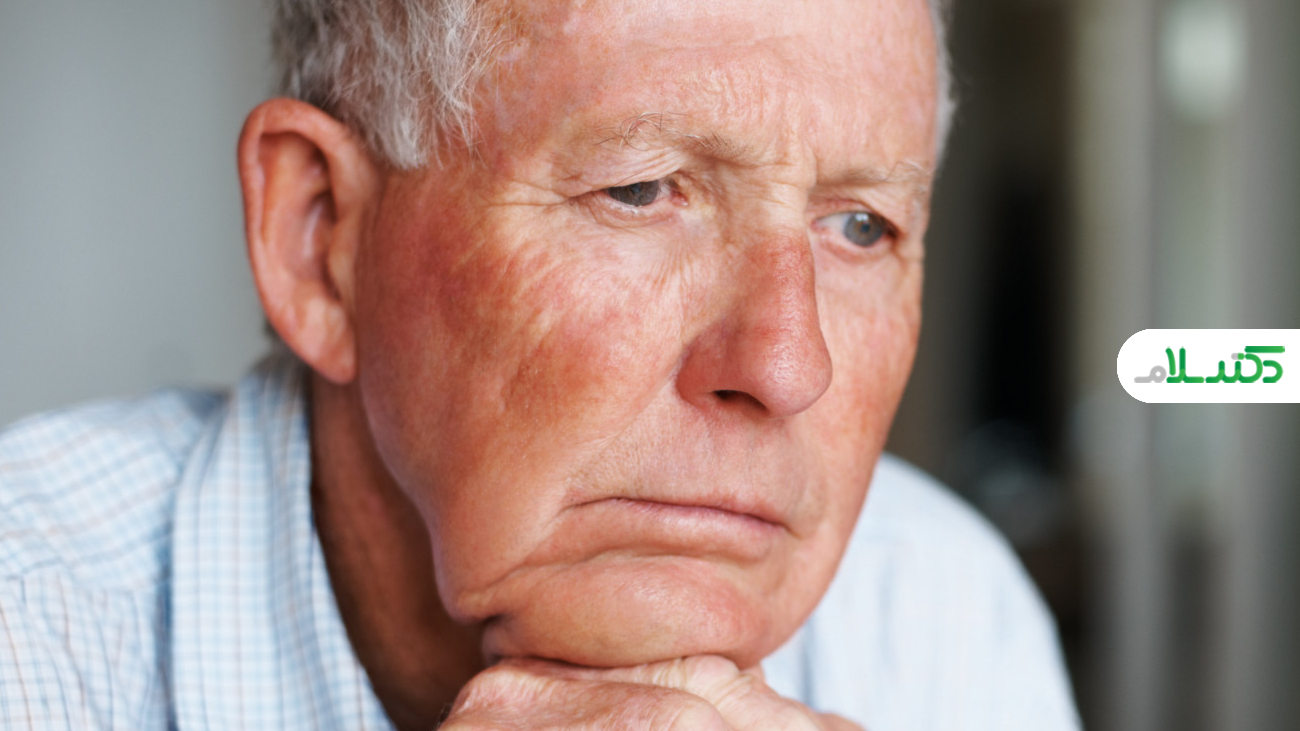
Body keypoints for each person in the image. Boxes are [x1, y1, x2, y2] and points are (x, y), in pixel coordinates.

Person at [0, 0, 1081, 728]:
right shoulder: (32, 639)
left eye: (860, 226)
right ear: (320, 239)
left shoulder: (944, 611)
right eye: (639, 189)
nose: (788, 364)